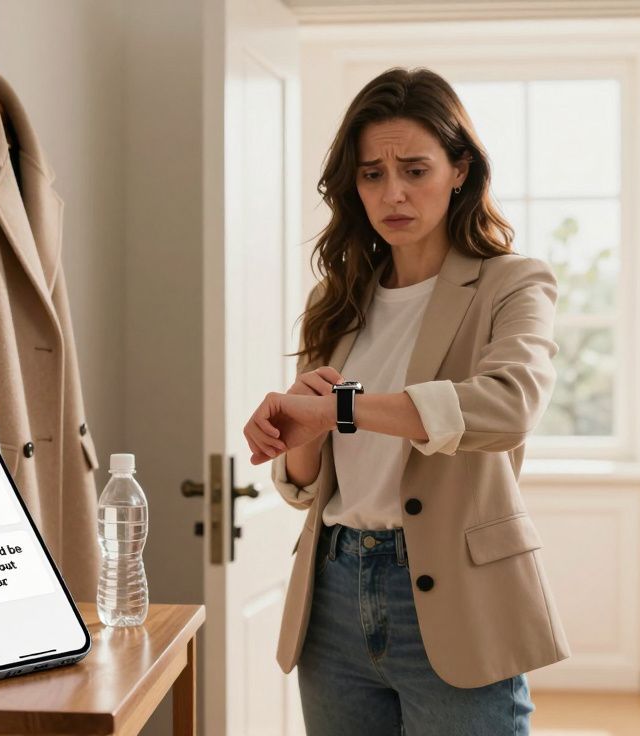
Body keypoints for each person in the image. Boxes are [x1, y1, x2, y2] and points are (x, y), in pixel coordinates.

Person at [243, 67, 570, 735]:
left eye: (415, 170)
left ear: (459, 171)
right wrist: (296, 430)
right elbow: (305, 486)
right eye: (372, 174)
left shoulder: (511, 284)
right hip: (333, 593)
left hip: (455, 597)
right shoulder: (334, 301)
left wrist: (341, 409)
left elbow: (508, 407)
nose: (392, 192)